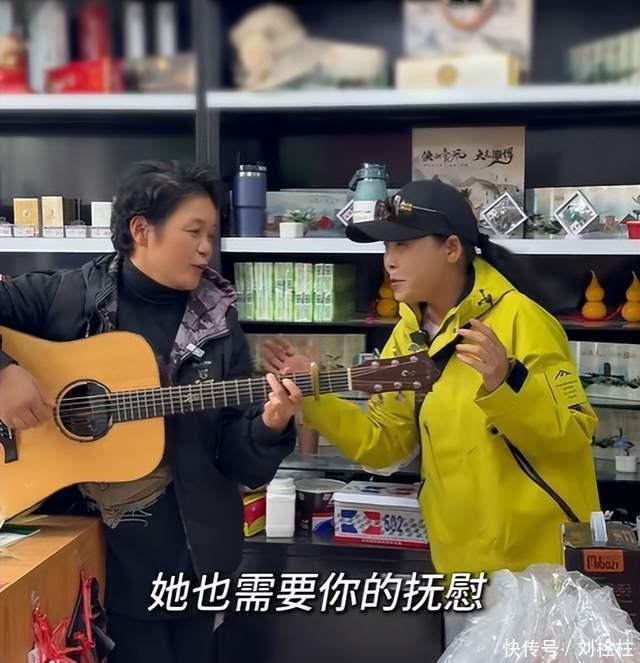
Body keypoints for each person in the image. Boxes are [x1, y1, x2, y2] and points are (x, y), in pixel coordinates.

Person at [0, 161, 301, 662]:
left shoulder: (219, 325)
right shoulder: (66, 297)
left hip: (194, 567)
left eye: (212, 234)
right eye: (193, 232)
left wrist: (270, 425)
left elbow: (237, 460)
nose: (207, 248)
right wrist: (5, 371)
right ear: (142, 230)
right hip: (91, 565)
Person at [262, 180, 600, 619]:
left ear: (452, 248)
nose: (389, 260)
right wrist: (312, 393)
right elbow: (384, 445)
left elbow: (573, 437)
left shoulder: (523, 321)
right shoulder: (407, 335)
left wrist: (504, 384)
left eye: (403, 245)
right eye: (386, 246)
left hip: (538, 577)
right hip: (458, 570)